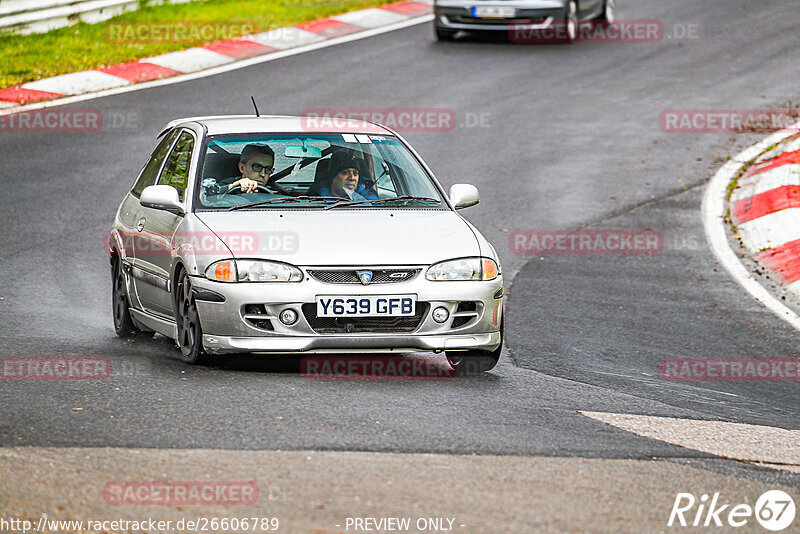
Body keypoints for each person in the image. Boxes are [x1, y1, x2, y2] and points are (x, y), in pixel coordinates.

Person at [203, 144, 275, 195]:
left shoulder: (275, 189)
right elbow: (204, 195)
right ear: (242, 168)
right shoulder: (227, 184)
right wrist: (231, 187)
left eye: (268, 169)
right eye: (257, 167)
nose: (262, 174)